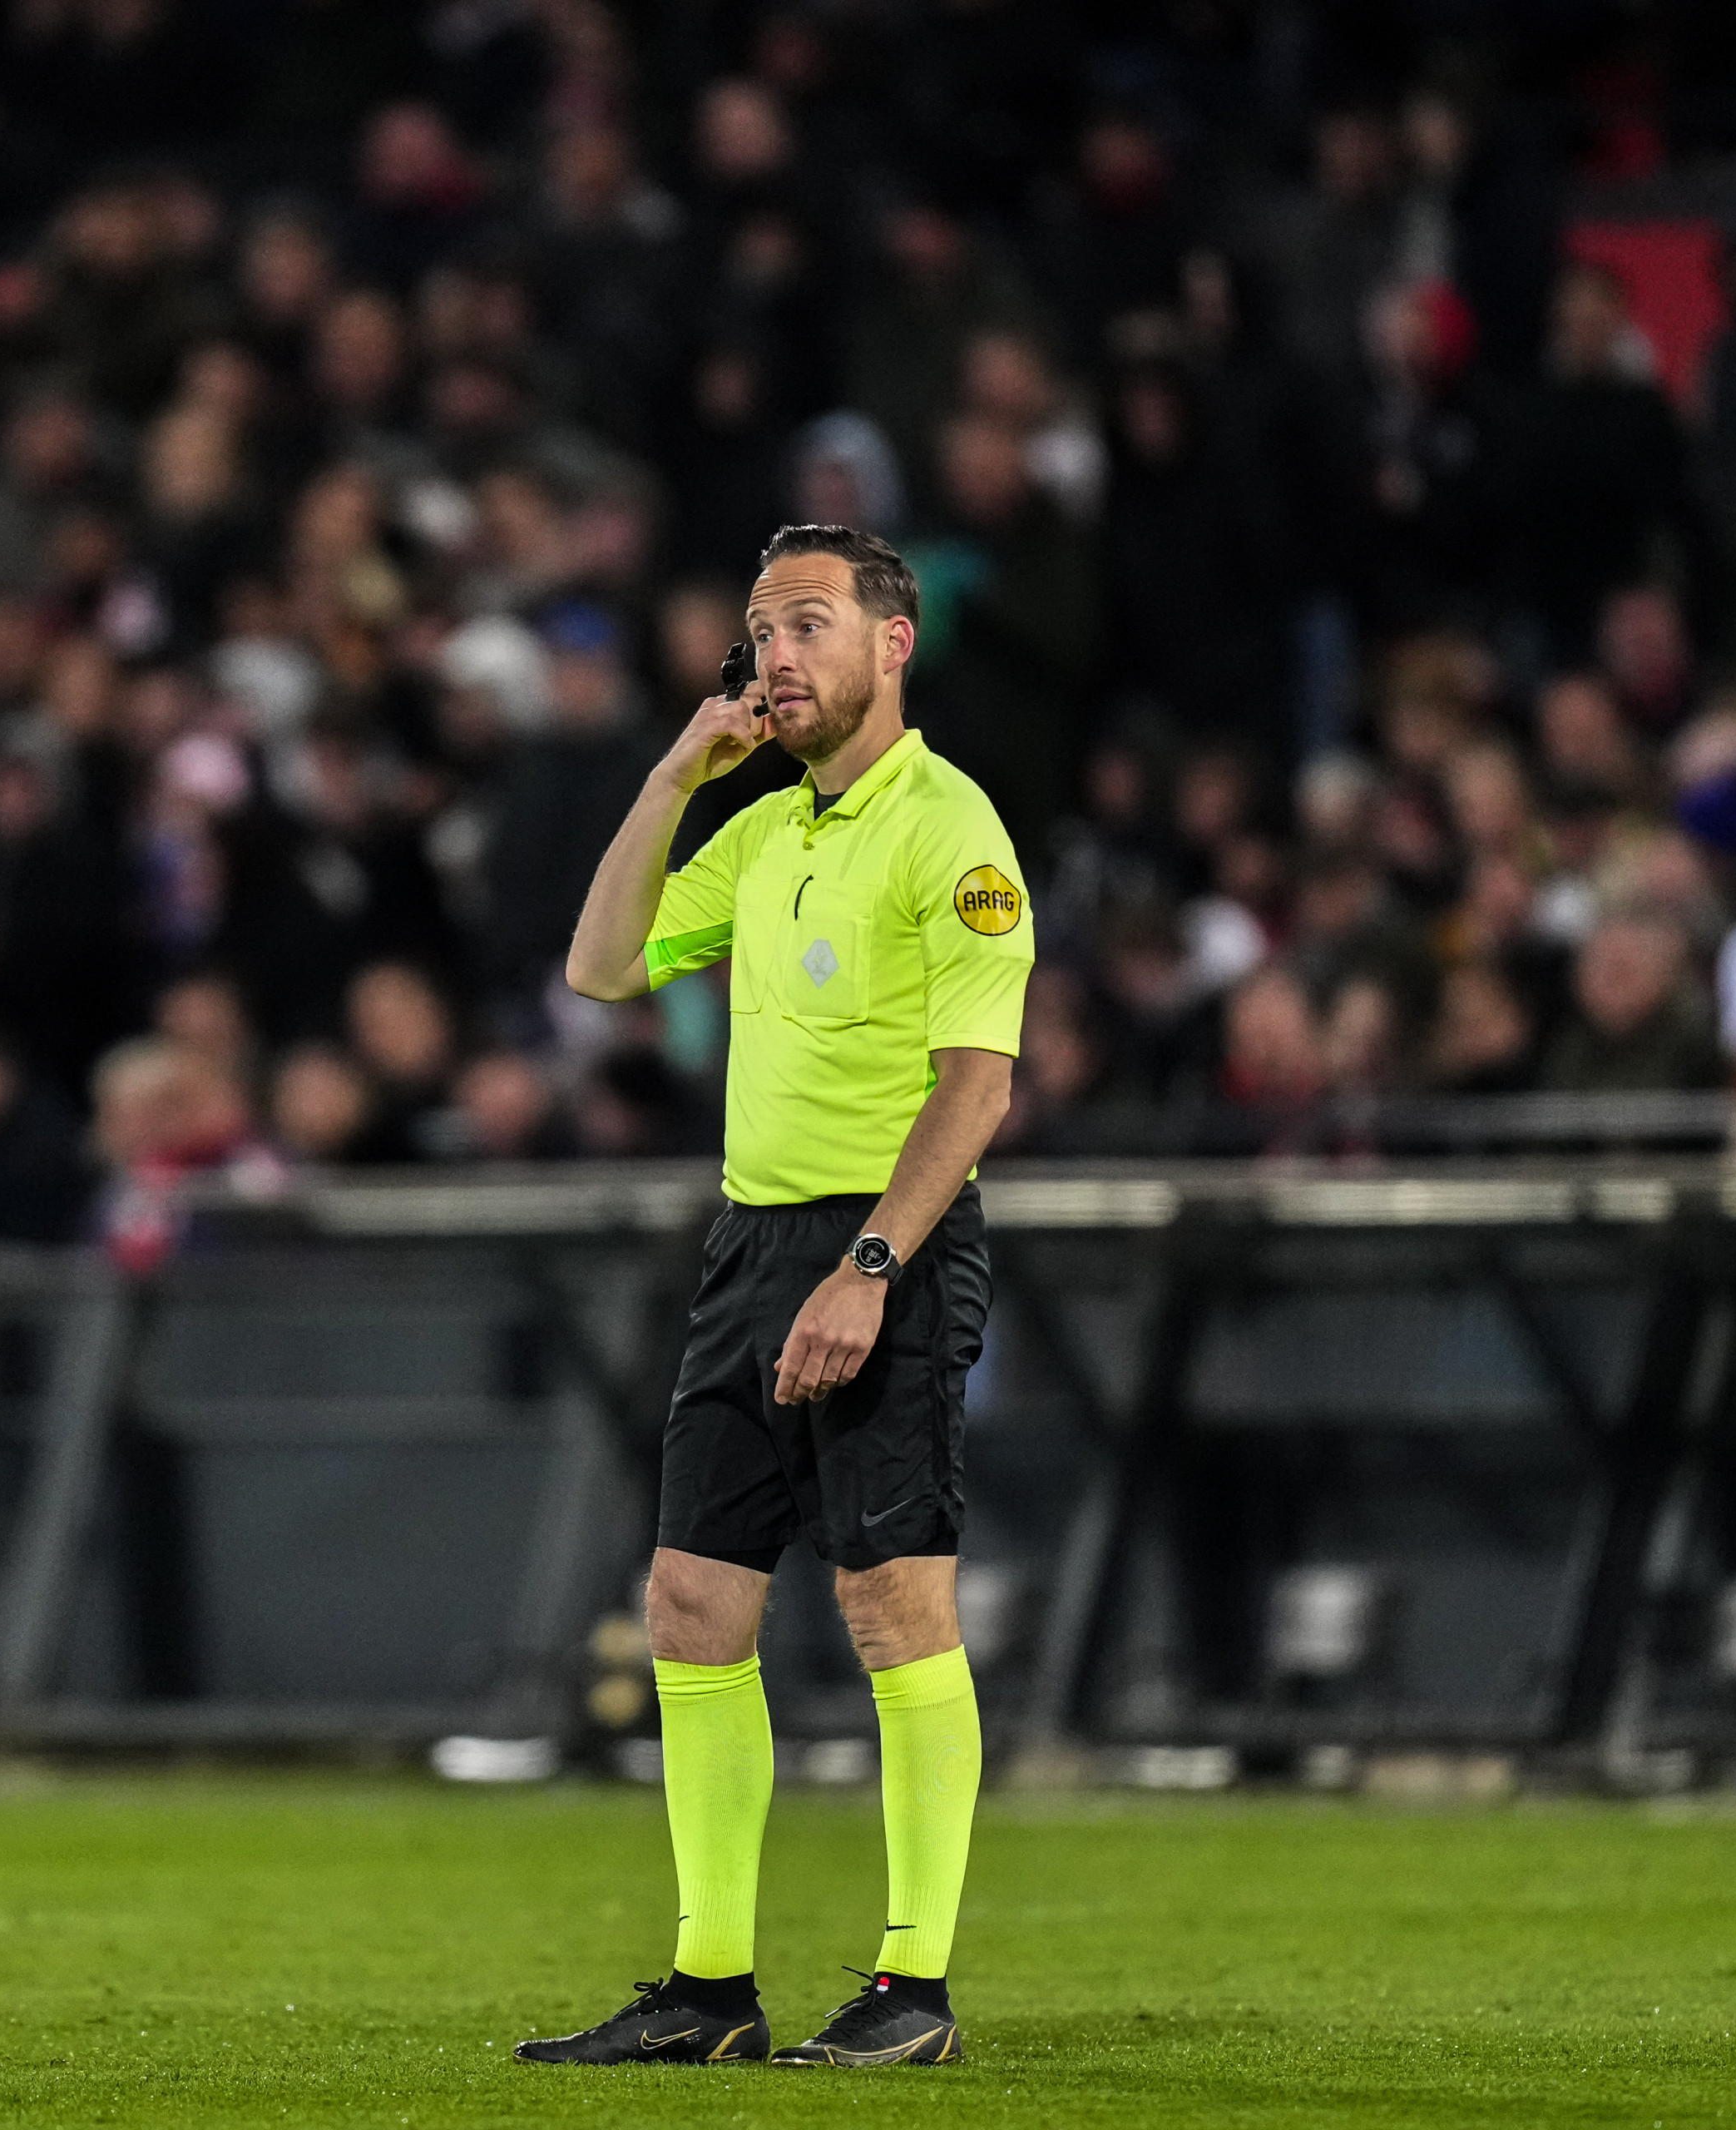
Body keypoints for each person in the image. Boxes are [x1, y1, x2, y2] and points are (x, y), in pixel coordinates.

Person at [521, 524, 1030, 2071]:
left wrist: (871, 1269)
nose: (775, 654)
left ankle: (912, 1987)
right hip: (750, 1249)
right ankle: (710, 1985)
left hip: (888, 1242)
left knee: (891, 1607)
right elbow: (602, 967)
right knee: (690, 1602)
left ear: (895, 643)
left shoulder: (951, 828)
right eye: (760, 628)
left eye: (807, 622)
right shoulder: (761, 829)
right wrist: (677, 774)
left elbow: (980, 1085)